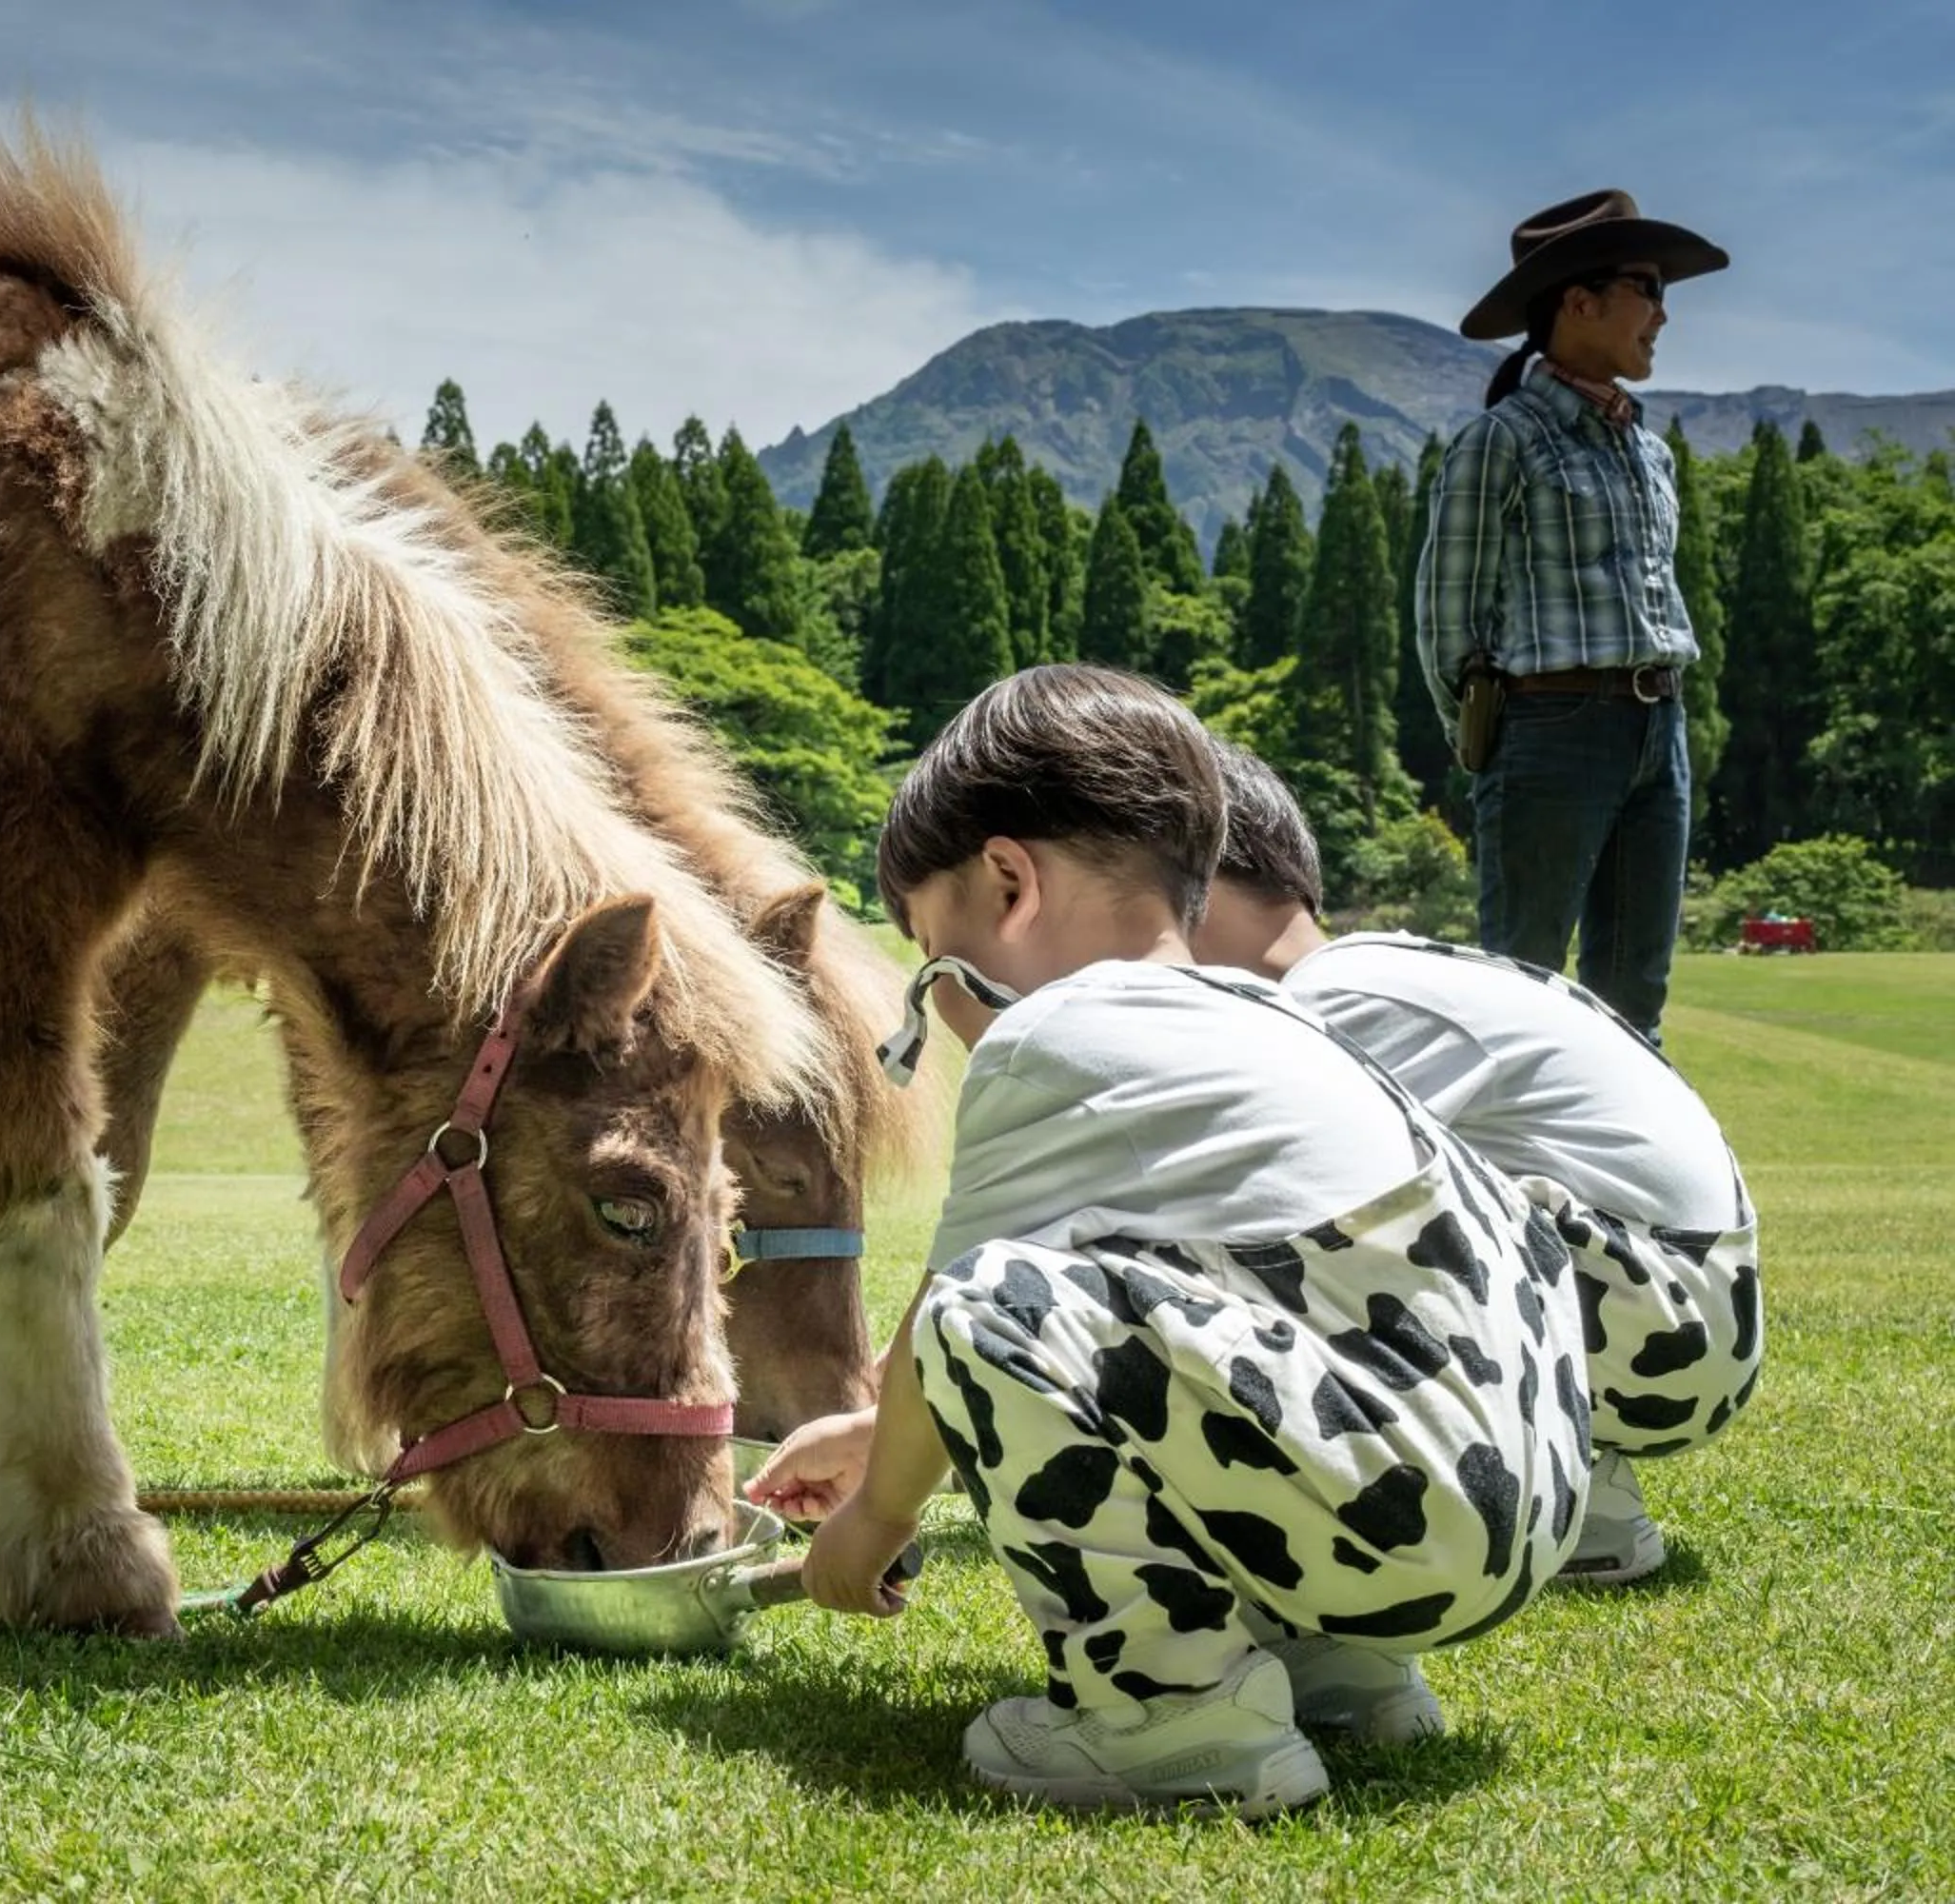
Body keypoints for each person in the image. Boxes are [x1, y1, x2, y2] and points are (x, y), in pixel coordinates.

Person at [749, 664, 1588, 1818]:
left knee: (991, 1304)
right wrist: (871, 1429)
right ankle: (1338, 1668)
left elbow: (957, 1314)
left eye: (929, 955)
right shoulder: (1273, 1022)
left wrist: (874, 1521)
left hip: (1407, 1510)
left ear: (1008, 882)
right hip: (1510, 1508)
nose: (932, 1006)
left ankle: (1169, 1716)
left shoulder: (1054, 1034)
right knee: (1161, 1301)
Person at [1189, 738, 1761, 1585]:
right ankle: (1585, 1501)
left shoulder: (1332, 1000)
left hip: (1658, 1319)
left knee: (1279, 1230)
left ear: (1195, 882)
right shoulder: (1374, 969)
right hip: (1679, 1304)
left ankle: (1475, 1489)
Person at [1419, 189, 1730, 1042]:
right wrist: (1490, 740)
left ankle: (1627, 1140)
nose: (1663, 314)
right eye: (1648, 289)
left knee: (1636, 1006)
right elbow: (1448, 618)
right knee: (1520, 996)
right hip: (1548, 728)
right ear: (1579, 302)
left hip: (1660, 728)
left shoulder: (1650, 452)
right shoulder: (1503, 439)